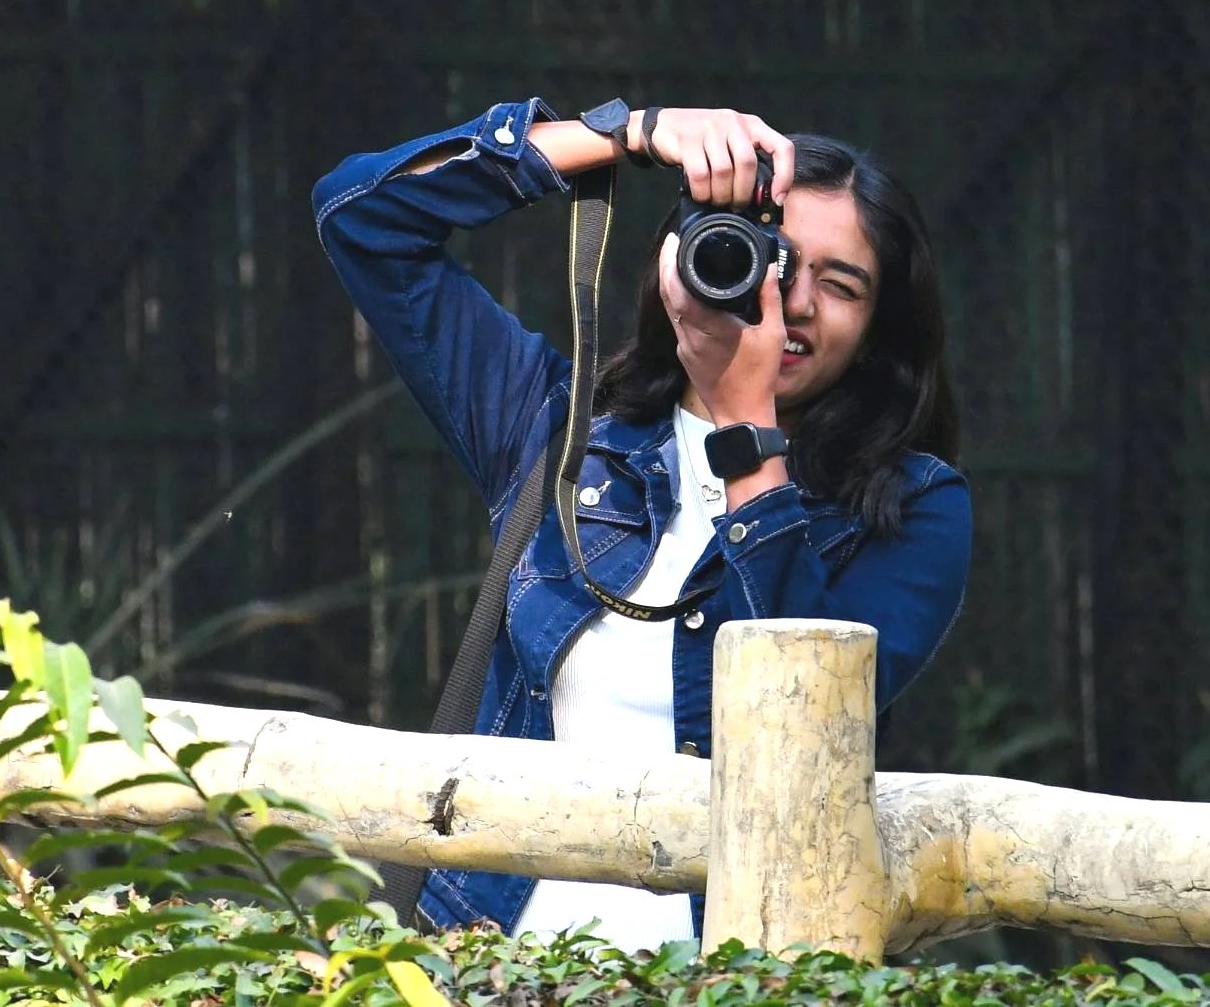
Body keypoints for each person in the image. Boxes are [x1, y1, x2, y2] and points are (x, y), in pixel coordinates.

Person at [312, 97, 972, 950]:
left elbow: (801, 722)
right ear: (687, 258)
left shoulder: (915, 507)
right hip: (485, 966)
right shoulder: (553, 427)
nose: (792, 300)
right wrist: (618, 133)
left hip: (730, 977)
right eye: (771, 258)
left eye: (840, 285)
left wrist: (748, 429)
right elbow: (362, 218)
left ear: (879, 331)